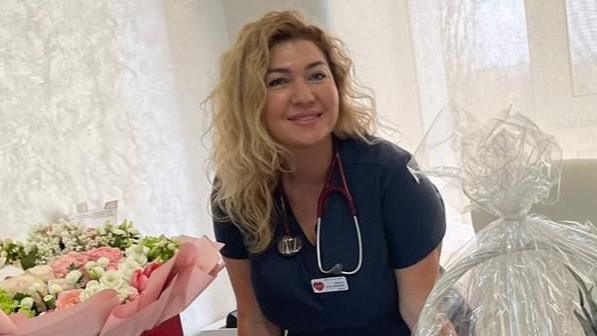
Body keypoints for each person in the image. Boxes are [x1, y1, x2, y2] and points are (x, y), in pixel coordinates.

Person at [208, 10, 446, 336]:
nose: (305, 96)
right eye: (279, 81)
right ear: (248, 100)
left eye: (317, 75)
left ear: (338, 84)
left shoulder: (391, 178)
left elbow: (424, 318)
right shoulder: (235, 193)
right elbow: (256, 319)